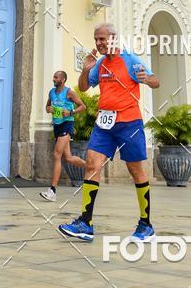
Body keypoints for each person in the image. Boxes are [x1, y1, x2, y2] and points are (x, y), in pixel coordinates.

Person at [58, 23, 160, 243]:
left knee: (136, 171)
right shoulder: (101, 63)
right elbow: (84, 88)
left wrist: (146, 78)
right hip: (104, 124)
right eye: (96, 39)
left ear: (113, 38)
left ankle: (146, 224)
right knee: (92, 164)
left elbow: (156, 82)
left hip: (129, 123)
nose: (98, 43)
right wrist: (85, 69)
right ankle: (85, 223)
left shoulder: (130, 59)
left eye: (102, 39)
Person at [40, 71, 87, 201]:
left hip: (67, 125)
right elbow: (48, 107)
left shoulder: (69, 92)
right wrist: (48, 109)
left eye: (56, 77)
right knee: (69, 158)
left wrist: (71, 112)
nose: (53, 79)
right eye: (53, 76)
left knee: (57, 155)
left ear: (63, 79)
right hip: (57, 125)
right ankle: (90, 167)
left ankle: (52, 191)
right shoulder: (51, 92)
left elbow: (83, 106)